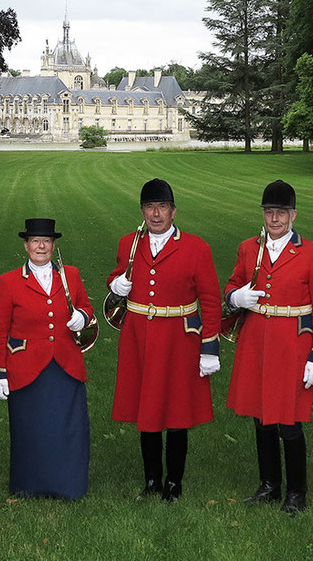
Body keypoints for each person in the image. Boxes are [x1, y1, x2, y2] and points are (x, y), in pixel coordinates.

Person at [107, 178, 222, 502]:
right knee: (147, 410)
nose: (155, 214)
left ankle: (174, 482)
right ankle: (151, 480)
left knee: (177, 411)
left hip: (179, 340)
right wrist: (116, 284)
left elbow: (211, 299)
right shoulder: (129, 242)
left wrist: (209, 347)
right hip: (140, 337)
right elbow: (119, 274)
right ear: (142, 210)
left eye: (162, 207)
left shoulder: (196, 247)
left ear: (173, 211)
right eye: (149, 207)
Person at [224, 179, 313, 514]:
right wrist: (235, 297)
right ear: (263, 213)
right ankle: (270, 485)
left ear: (293, 215)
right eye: (270, 212)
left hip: (292, 345)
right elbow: (231, 284)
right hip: (256, 340)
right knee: (261, 417)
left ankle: (297, 492)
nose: (275, 219)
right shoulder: (248, 248)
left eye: (282, 213)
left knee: (289, 421)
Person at [0, 219, 94, 499]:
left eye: (46, 241)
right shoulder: (8, 281)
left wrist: (82, 316)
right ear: (26, 245)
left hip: (65, 363)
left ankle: (68, 485)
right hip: (25, 366)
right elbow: (0, 329)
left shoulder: (70, 274)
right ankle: (29, 485)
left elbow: (86, 306)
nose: (40, 246)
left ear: (53, 245)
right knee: (31, 427)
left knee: (67, 426)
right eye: (35, 241)